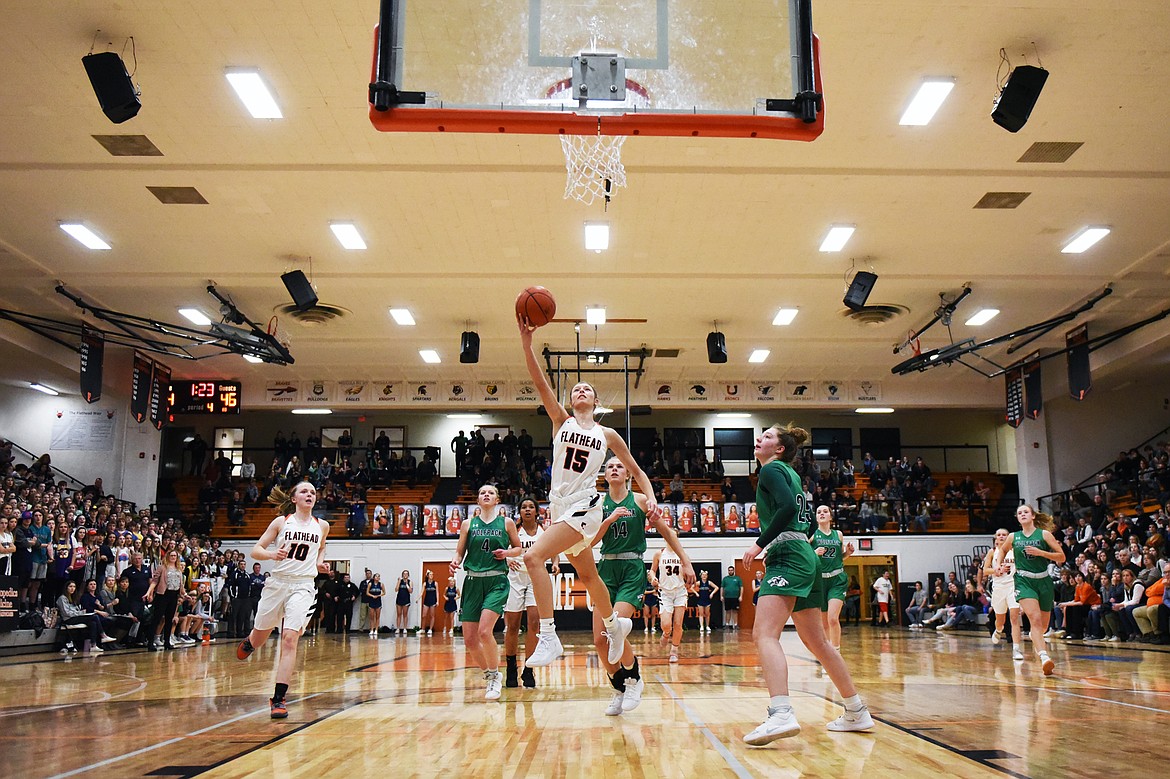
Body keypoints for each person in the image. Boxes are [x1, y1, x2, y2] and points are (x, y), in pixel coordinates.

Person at [517, 317, 660, 669]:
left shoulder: (608, 434)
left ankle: (548, 636)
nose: (581, 391)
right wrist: (526, 343)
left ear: (596, 401)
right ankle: (614, 627)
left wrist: (651, 494)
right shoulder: (560, 421)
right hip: (560, 506)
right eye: (575, 389)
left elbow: (638, 471)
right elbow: (539, 382)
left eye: (587, 389)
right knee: (589, 576)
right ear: (570, 399)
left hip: (586, 506)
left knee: (533, 557)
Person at [741, 423, 873, 746]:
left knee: (764, 634)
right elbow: (806, 516)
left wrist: (759, 544)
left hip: (788, 553)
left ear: (780, 448)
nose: (760, 439)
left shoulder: (771, 471)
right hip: (806, 555)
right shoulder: (791, 474)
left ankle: (781, 711)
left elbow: (787, 508)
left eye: (768, 436)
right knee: (818, 642)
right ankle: (856, 710)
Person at [592, 456, 694, 714]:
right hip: (605, 568)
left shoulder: (639, 500)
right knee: (599, 640)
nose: (614, 469)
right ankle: (618, 689)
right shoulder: (597, 503)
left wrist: (686, 561)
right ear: (604, 475)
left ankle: (634, 678)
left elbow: (667, 533)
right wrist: (607, 521)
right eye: (609, 466)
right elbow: (589, 542)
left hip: (631, 568)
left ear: (628, 474)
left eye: (619, 466)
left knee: (614, 628)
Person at [236, 481, 331, 718]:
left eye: (312, 492)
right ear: (294, 498)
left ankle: (278, 698)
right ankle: (251, 641)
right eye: (304, 491)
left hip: (303, 586)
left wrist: (319, 563)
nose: (309, 494)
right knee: (260, 636)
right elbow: (256, 550)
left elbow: (321, 549)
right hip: (277, 583)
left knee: (290, 639)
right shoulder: (282, 522)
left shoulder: (323, 526)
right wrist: (271, 554)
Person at [450, 484, 520, 701]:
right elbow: (460, 551)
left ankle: (494, 678)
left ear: (497, 500)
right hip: (472, 581)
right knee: (470, 639)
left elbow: (518, 548)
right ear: (478, 500)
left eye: (490, 492)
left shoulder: (506, 523)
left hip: (496, 581)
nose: (486, 495)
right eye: (482, 493)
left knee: (483, 631)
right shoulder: (467, 524)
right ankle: (491, 674)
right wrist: (455, 561)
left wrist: (507, 553)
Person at [994, 504, 1065, 675]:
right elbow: (1002, 551)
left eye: (1026, 512)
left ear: (1033, 516)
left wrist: (1042, 553)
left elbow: (1061, 556)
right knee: (1035, 619)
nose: (1023, 514)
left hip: (1043, 580)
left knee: (1043, 627)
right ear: (1017, 518)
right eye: (1019, 513)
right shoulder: (1013, 537)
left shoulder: (1044, 534)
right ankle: (1044, 657)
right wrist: (997, 565)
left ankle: (1037, 640)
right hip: (1023, 581)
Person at [501, 496, 557, 689]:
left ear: (536, 511)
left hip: (536, 578)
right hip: (515, 578)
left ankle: (528, 668)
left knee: (534, 623)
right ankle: (510, 667)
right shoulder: (513, 531)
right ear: (519, 512)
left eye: (530, 507)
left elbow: (554, 549)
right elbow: (503, 552)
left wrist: (556, 563)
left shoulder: (545, 531)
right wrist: (508, 561)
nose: (527, 510)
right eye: (523, 507)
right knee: (513, 625)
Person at [811, 505, 854, 649]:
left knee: (833, 619)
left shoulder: (838, 534)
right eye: (818, 512)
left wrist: (847, 553)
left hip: (837, 579)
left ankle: (836, 653)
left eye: (825, 511)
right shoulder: (812, 535)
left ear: (830, 516)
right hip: (820, 581)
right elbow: (804, 558)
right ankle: (828, 655)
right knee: (824, 623)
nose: (822, 513)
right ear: (816, 517)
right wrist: (814, 552)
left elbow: (840, 558)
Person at [983, 529, 1024, 660]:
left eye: (1004, 535)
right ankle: (998, 630)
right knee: (1000, 620)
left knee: (1014, 618)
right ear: (996, 538)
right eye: (999, 535)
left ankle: (1016, 649)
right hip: (999, 587)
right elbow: (985, 570)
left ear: (1008, 537)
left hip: (1013, 585)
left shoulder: (1014, 550)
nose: (1001, 536)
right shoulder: (992, 552)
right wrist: (996, 570)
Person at [651, 544, 690, 663]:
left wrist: (687, 576)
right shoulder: (659, 553)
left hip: (680, 591)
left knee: (678, 623)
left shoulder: (682, 554)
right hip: (665, 592)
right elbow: (653, 570)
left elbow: (688, 572)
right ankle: (666, 633)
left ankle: (674, 651)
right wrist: (653, 578)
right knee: (666, 623)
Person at [721, 566, 743, 630]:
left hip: (735, 597)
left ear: (734, 571)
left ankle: (735, 625)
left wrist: (740, 596)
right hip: (727, 597)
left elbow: (741, 587)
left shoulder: (737, 578)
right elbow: (722, 587)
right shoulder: (725, 579)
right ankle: (727, 624)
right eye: (729, 570)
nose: (730, 571)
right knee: (728, 611)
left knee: (735, 611)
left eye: (731, 570)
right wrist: (721, 596)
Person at [419, 569, 439, 636]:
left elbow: (437, 593)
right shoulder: (425, 583)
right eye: (430, 574)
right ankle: (422, 629)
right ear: (427, 575)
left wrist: (437, 601)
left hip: (433, 601)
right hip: (426, 601)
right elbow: (422, 592)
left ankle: (430, 629)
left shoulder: (435, 583)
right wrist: (418, 598)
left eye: (432, 574)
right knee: (424, 615)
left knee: (432, 615)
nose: (431, 576)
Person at [394, 569, 413, 634]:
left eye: (406, 574)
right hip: (399, 599)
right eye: (404, 574)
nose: (405, 575)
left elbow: (410, 591)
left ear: (408, 575)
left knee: (405, 614)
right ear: (402, 575)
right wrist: (398, 582)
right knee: (399, 614)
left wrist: (407, 585)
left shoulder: (410, 582)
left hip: (406, 599)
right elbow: (396, 590)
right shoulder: (400, 581)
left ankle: (405, 628)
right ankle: (398, 628)